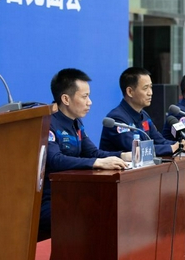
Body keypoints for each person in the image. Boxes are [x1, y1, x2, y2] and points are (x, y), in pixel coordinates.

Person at [39, 68, 131, 233]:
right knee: (96, 214)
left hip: (73, 194)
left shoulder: (76, 123)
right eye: (84, 96)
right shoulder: (48, 123)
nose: (90, 102)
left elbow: (93, 153)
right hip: (50, 199)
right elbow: (55, 160)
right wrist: (96, 163)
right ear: (66, 99)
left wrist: (123, 156)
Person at [99, 67, 185, 155]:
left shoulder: (143, 115)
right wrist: (172, 148)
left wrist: (183, 144)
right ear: (130, 92)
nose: (150, 92)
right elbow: (136, 148)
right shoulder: (117, 119)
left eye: (151, 87)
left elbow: (160, 141)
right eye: (145, 88)